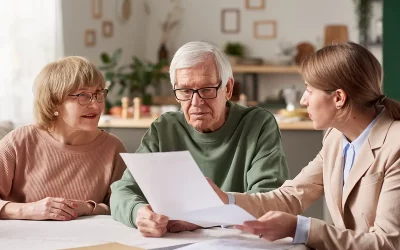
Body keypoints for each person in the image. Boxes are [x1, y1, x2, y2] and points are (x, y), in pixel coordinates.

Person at [209, 42, 400, 250]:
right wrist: (225, 200)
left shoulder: (395, 145)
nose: (302, 100)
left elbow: (387, 243)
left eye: (309, 90)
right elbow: (292, 195)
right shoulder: (335, 138)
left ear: (338, 98)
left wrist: (301, 228)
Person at [110, 41, 289, 237]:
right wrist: (138, 213)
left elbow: (269, 200)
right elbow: (122, 191)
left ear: (228, 88)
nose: (196, 102)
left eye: (206, 89)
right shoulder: (164, 128)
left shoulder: (258, 124)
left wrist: (202, 219)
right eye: (186, 91)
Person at [0, 56, 127, 221]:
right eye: (83, 95)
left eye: (98, 93)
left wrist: (88, 207)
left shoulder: (112, 147)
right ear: (53, 102)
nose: (96, 105)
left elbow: (123, 206)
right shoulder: (20, 141)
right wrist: (29, 210)